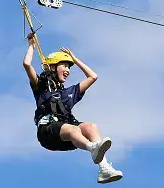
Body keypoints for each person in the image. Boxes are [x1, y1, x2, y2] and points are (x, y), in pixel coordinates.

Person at [23, 34, 123, 183]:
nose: (68, 70)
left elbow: (93, 76)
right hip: (47, 132)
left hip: (66, 137)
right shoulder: (41, 87)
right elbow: (26, 64)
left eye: (70, 67)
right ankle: (92, 147)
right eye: (65, 65)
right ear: (53, 67)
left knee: (90, 127)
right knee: (74, 129)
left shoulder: (68, 93)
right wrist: (31, 46)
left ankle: (104, 169)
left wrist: (74, 59)